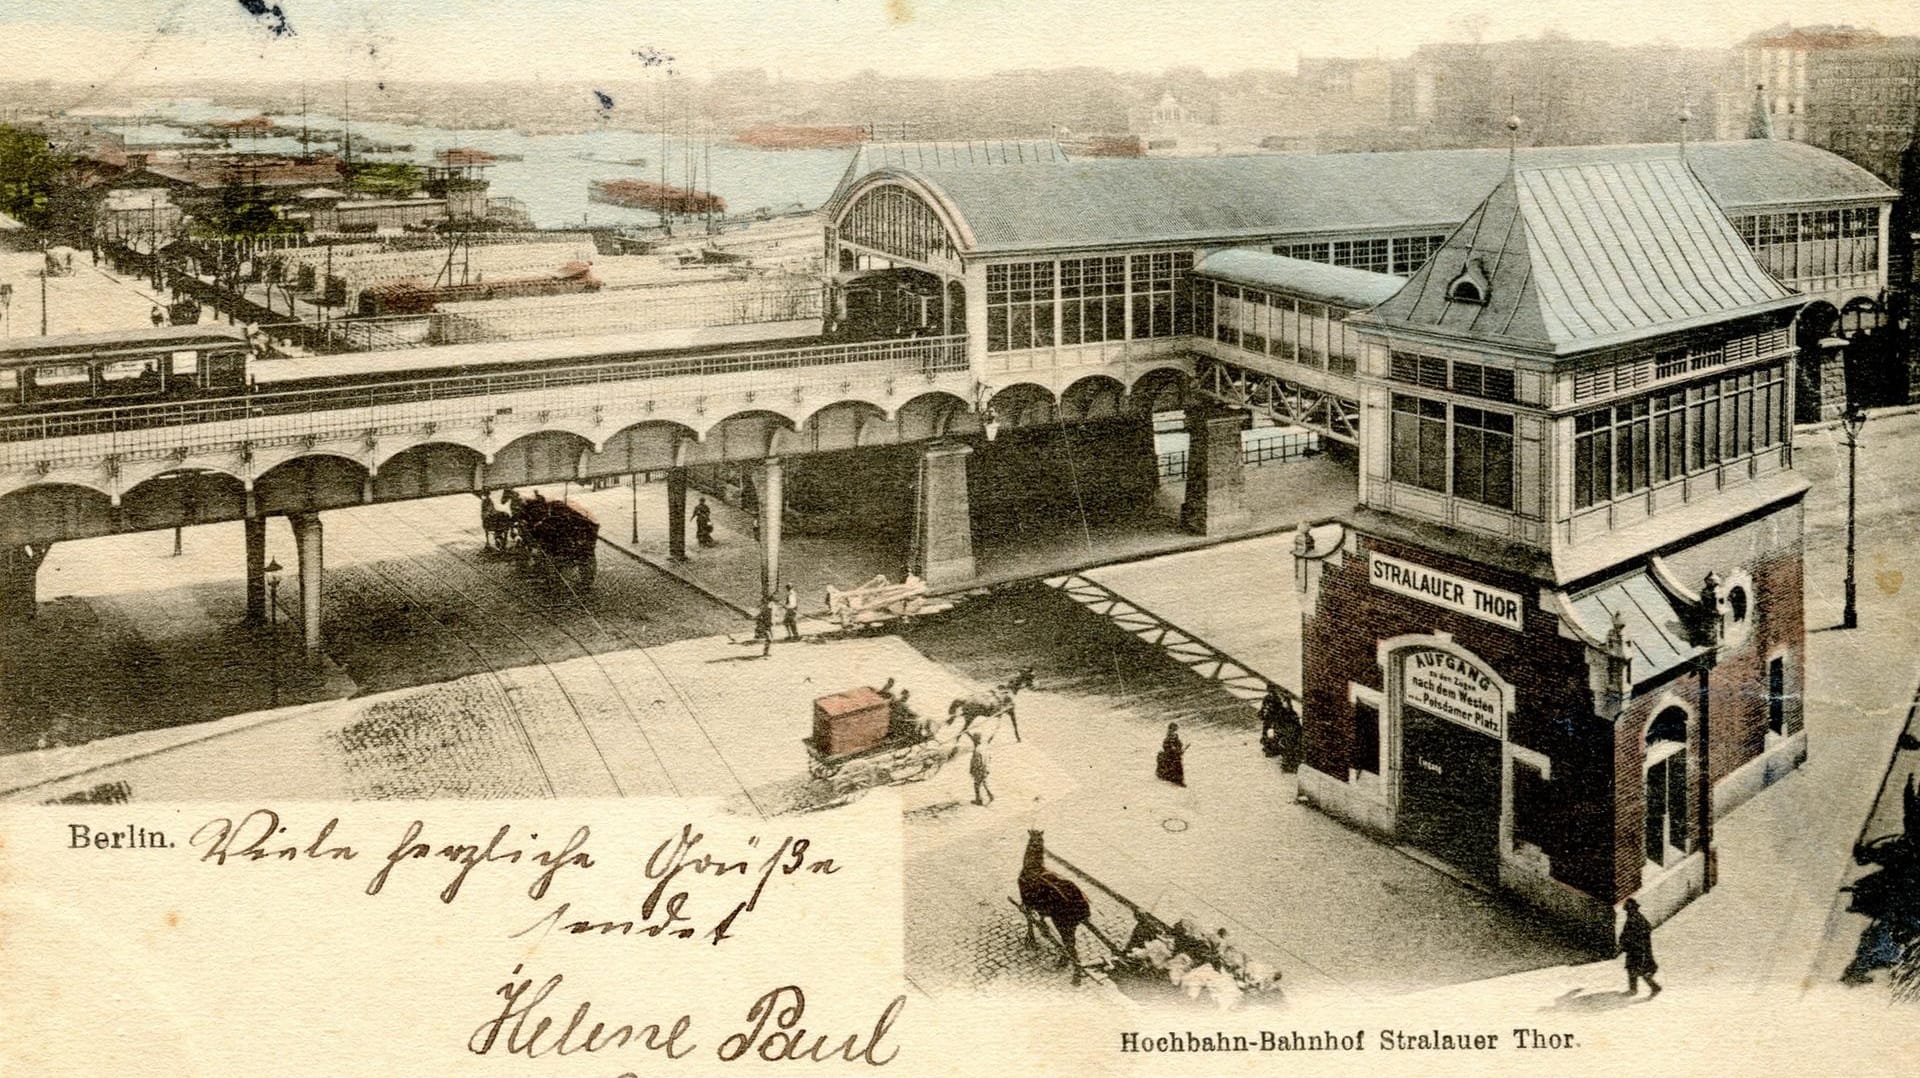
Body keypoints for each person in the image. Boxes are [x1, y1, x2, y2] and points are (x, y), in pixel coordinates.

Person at [1618, 898, 1661, 997]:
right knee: (1633, 968)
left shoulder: (1634, 919)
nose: (1627, 910)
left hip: (1638, 949)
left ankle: (1653, 987)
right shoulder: (1635, 917)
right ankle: (1634, 989)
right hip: (1636, 948)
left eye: (1628, 908)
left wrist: (1629, 943)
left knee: (1639, 969)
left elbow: (1635, 933)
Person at [1156, 722, 1186, 787]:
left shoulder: (1173, 736)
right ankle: (1176, 780)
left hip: (1174, 754)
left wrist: (1178, 749)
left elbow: (1178, 744)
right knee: (1176, 766)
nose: (1176, 728)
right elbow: (1169, 746)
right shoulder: (1170, 737)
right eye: (1175, 727)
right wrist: (1176, 750)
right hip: (1172, 755)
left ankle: (1176, 779)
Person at [969, 732, 993, 806]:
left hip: (979, 769)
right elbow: (989, 757)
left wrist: (972, 769)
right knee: (984, 782)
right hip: (986, 768)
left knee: (976, 784)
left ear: (975, 740)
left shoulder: (977, 750)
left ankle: (979, 800)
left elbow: (977, 761)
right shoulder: (984, 747)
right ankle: (990, 795)